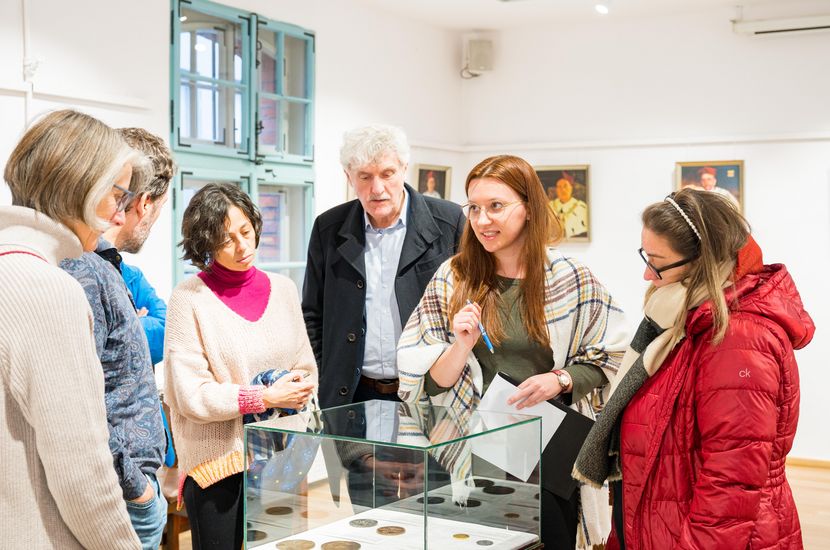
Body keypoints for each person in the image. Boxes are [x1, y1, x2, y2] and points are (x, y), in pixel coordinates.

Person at [397, 155, 629, 549]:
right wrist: (461, 345)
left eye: (496, 206)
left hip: (552, 450)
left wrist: (560, 380)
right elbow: (426, 384)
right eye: (474, 208)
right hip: (479, 450)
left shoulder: (569, 276)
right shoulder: (453, 278)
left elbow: (612, 355)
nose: (483, 219)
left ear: (529, 208)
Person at [574, 188, 814, 549]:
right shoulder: (680, 322)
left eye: (656, 260)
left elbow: (731, 482)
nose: (646, 274)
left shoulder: (737, 340)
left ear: (702, 260)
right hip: (664, 521)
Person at [1, 109, 142, 548]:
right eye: (118, 196)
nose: (120, 216)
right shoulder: (46, 290)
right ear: (82, 189)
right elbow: (82, 471)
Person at [164, 183, 317, 549]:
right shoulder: (188, 300)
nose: (243, 246)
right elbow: (191, 396)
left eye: (246, 231)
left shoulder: (283, 289)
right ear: (205, 245)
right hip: (217, 468)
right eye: (226, 239)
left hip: (280, 458)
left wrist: (293, 388)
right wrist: (264, 396)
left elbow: (306, 368)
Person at [302, 123, 465, 409]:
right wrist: (326, 372)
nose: (377, 189)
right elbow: (313, 314)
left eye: (387, 174)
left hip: (428, 393)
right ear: (348, 176)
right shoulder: (328, 228)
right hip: (349, 396)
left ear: (404, 168)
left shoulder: (449, 222)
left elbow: (470, 304)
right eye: (364, 177)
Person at [60, 134, 168, 547]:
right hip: (121, 491)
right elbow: (81, 401)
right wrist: (136, 487)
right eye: (119, 199)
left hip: (129, 483)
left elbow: (160, 326)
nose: (122, 217)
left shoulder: (113, 268)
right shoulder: (85, 268)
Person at [550, 174, 589, 238]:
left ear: (571, 188)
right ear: (556, 190)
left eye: (565, 186)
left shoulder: (581, 207)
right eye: (559, 187)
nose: (562, 190)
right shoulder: (549, 207)